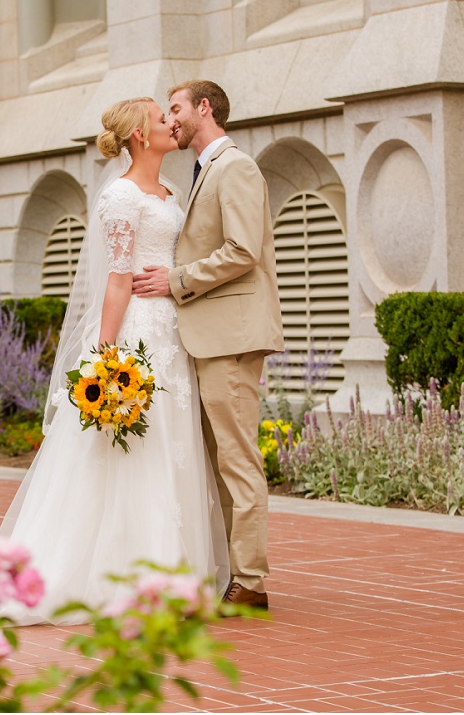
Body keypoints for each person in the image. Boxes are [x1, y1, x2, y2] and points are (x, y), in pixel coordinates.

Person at [0, 97, 229, 626]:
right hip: (137, 335)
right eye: (161, 117)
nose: (172, 121)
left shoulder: (169, 192)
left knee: (171, 446)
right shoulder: (120, 195)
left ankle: (171, 577)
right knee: (131, 452)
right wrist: (104, 353)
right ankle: (127, 580)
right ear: (140, 135)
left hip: (173, 337)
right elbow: (117, 278)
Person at [132, 80, 284, 611]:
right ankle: (234, 573)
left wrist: (175, 280)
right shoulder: (200, 172)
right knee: (220, 462)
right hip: (210, 337)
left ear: (203, 108)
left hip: (232, 336)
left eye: (175, 108)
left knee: (238, 462)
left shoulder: (236, 166)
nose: (170, 118)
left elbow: (242, 250)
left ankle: (250, 583)